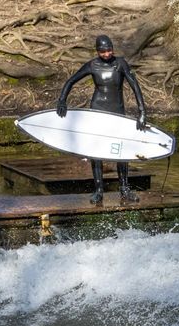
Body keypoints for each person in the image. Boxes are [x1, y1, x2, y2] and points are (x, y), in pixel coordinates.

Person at [56, 34, 147, 205]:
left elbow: (135, 86)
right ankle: (98, 190)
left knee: (122, 150)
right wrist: (62, 100)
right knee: (96, 151)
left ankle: (124, 188)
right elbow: (70, 81)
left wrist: (142, 111)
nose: (107, 54)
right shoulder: (92, 65)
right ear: (98, 51)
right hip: (97, 111)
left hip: (117, 112)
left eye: (110, 50)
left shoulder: (120, 63)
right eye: (103, 51)